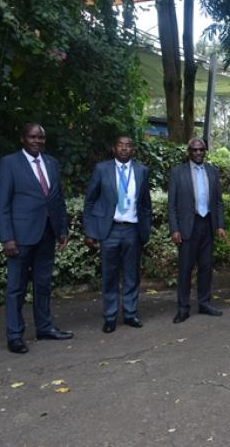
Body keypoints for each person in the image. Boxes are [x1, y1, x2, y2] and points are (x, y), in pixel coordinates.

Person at [0, 123, 72, 354]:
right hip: (20, 238)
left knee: (43, 284)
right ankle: (15, 335)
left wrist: (62, 229)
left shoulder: (51, 163)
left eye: (41, 138)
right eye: (33, 137)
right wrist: (7, 237)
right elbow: (2, 204)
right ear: (23, 139)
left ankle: (45, 327)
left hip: (47, 234)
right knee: (16, 288)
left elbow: (57, 199)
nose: (37, 141)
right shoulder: (9, 164)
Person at [83, 136, 152, 333]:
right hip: (109, 230)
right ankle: (110, 316)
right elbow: (90, 201)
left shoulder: (141, 171)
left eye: (128, 145)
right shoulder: (101, 169)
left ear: (133, 150)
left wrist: (145, 231)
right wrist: (89, 230)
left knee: (132, 275)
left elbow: (146, 204)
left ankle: (130, 313)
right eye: (120, 145)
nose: (124, 149)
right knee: (109, 275)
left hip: (132, 230)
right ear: (114, 148)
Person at [168, 138, 228, 323]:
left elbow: (218, 201)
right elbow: (171, 205)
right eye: (194, 150)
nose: (198, 153)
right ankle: (183, 308)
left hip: (207, 224)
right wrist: (174, 229)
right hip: (187, 227)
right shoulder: (178, 172)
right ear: (189, 152)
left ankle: (204, 303)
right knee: (185, 269)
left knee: (206, 268)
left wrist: (220, 225)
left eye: (201, 150)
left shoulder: (212, 171)